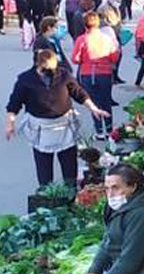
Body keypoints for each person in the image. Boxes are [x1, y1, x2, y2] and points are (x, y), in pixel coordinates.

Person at [6, 47, 110, 186]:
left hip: (64, 125)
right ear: (38, 64)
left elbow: (78, 93)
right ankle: (45, 193)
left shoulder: (63, 75)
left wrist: (94, 108)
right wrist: (10, 123)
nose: (50, 72)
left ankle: (71, 191)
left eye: (53, 68)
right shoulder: (25, 80)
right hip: (40, 128)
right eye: (46, 69)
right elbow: (14, 104)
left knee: (69, 165)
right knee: (44, 167)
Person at [71, 11, 118, 138]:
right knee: (106, 101)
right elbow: (114, 57)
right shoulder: (107, 39)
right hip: (105, 73)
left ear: (84, 24)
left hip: (87, 73)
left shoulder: (82, 39)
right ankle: (109, 130)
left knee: (93, 103)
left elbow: (75, 59)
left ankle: (99, 131)